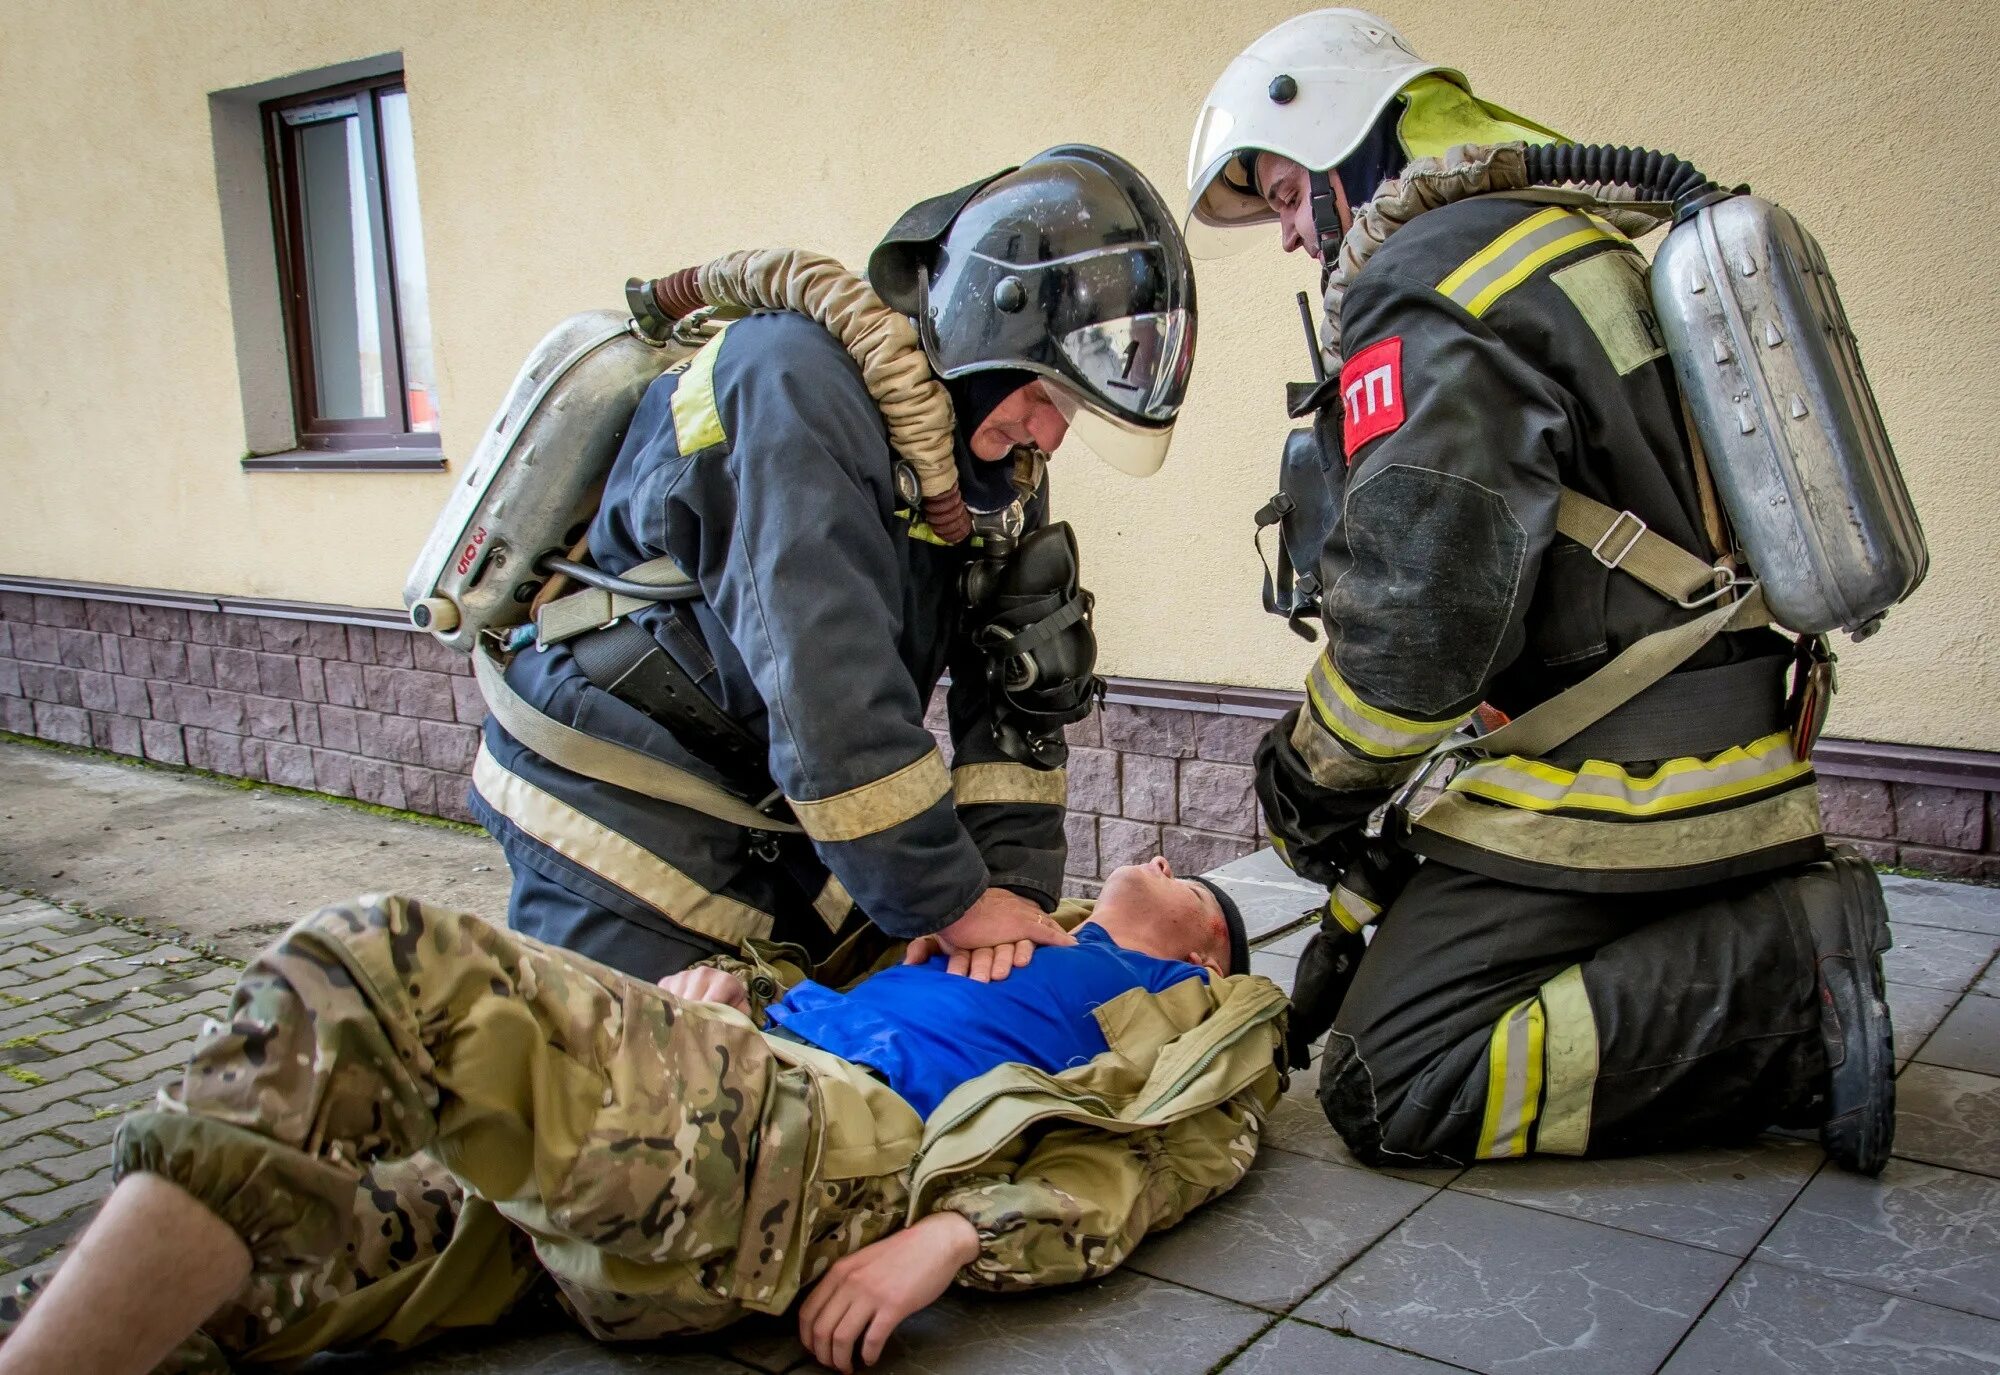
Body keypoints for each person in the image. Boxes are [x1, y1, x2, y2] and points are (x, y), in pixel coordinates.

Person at [1183, 10, 1895, 1172]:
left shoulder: (1426, 273)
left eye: (1275, 196)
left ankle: (1790, 993)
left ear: (1333, 143)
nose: (1284, 238)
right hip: (1723, 735)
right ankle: (1752, 931)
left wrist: (1311, 778)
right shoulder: (1567, 234)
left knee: (1389, 1076)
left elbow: (1425, 620)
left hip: (1626, 783)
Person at [0, 859, 1273, 1375]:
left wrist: (959, 1235)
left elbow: (1177, 1153)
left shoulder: (1194, 1007)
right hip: (710, 1129)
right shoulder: (1008, 930)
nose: (1150, 857)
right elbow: (842, 1006)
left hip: (805, 1159)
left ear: (1207, 944)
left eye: (1175, 874)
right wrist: (730, 997)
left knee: (369, 969)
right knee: (254, 1261)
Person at [471, 144, 1196, 982]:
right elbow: (830, 690)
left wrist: (1010, 898)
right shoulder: (790, 385)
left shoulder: (986, 470)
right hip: (623, 805)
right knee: (631, 1085)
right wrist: (949, 903)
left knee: (828, 1071)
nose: (1052, 434)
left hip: (776, 820)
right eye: (1045, 395)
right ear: (982, 327)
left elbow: (1014, 698)